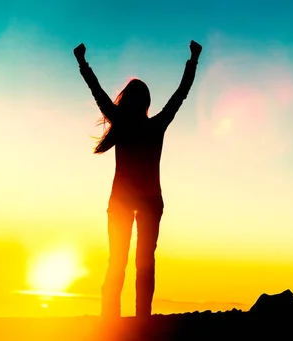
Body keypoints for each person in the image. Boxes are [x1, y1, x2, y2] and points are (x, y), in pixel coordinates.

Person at [74, 40, 202, 318]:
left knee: (120, 262)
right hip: (144, 201)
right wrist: (193, 60)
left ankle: (114, 322)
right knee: (141, 262)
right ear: (146, 103)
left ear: (130, 101)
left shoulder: (123, 122)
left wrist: (83, 63)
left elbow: (97, 93)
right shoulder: (155, 125)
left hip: (128, 202)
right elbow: (181, 94)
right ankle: (139, 319)